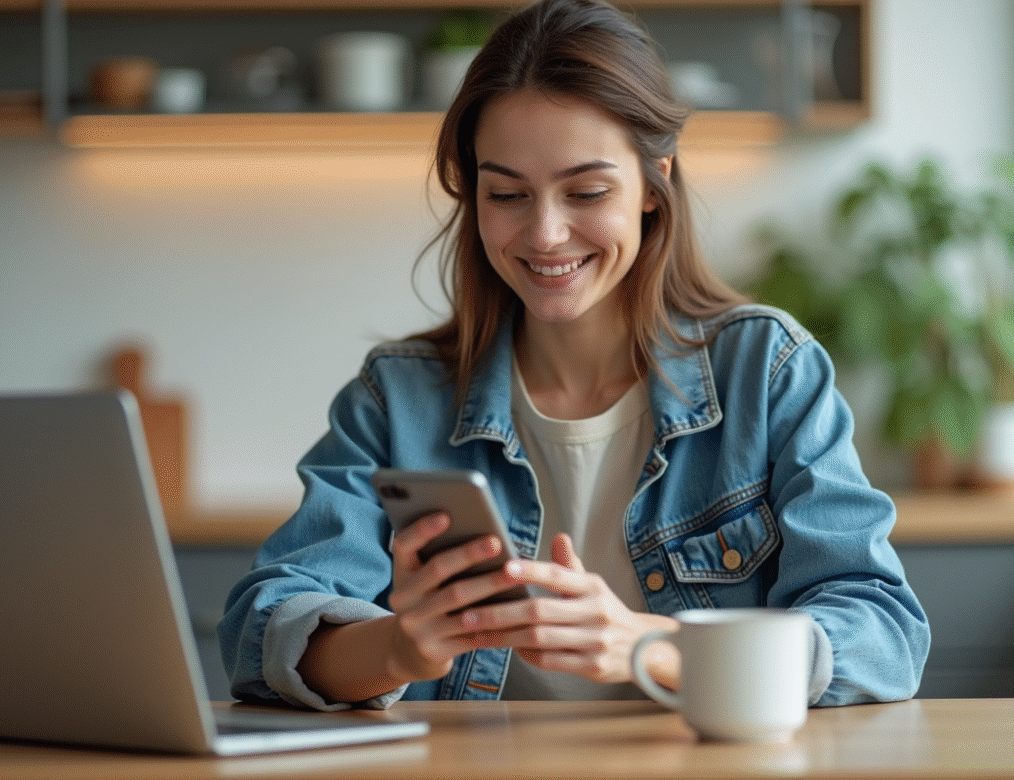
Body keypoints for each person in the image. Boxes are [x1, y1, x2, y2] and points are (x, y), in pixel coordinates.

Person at [219, 0, 929, 710]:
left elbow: (883, 633)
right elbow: (265, 630)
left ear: (654, 183)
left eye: (586, 191)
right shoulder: (397, 399)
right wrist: (401, 647)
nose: (546, 233)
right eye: (506, 194)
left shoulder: (767, 370)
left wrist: (651, 645)